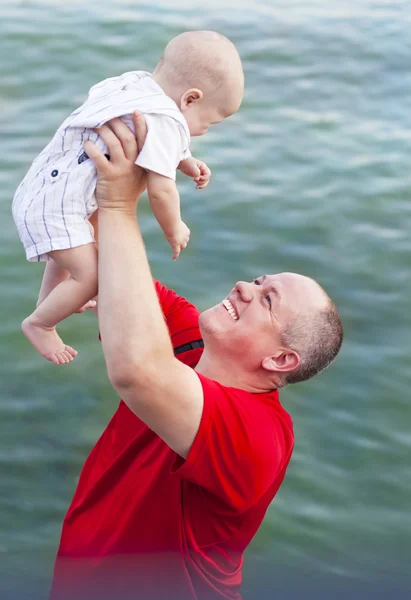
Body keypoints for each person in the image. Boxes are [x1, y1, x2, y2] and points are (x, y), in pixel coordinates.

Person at [48, 112, 343, 600]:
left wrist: (120, 204)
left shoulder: (260, 438)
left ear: (281, 361)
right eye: (260, 280)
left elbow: (138, 372)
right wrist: (122, 142)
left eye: (266, 300)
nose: (245, 286)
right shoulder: (187, 338)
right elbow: (98, 256)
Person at [12, 30, 244, 365]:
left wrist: (185, 161)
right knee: (92, 275)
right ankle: (40, 323)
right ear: (190, 99)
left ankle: (56, 299)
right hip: (58, 208)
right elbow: (161, 189)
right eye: (209, 122)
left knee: (78, 254)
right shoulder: (168, 120)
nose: (203, 130)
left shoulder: (133, 84)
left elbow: (150, 135)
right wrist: (174, 227)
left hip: (43, 190)